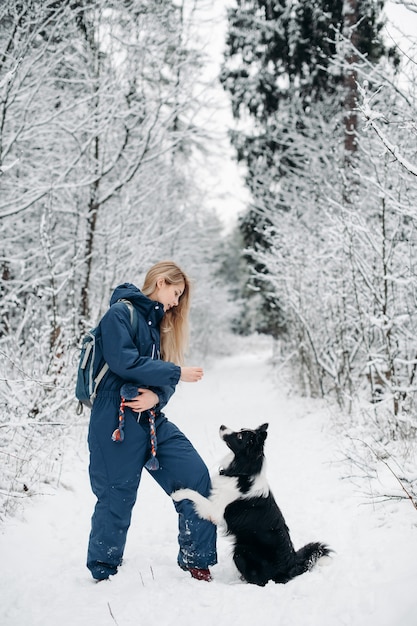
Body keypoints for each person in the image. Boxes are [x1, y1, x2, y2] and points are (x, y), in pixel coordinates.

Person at [86, 260, 217, 582]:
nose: (175, 302)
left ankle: (196, 558)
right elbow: (123, 361)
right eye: (176, 292)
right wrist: (177, 373)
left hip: (152, 418)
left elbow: (161, 381)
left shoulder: (157, 325)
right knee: (117, 494)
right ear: (160, 282)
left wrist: (158, 397)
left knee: (196, 476)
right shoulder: (119, 314)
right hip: (114, 418)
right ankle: (103, 570)